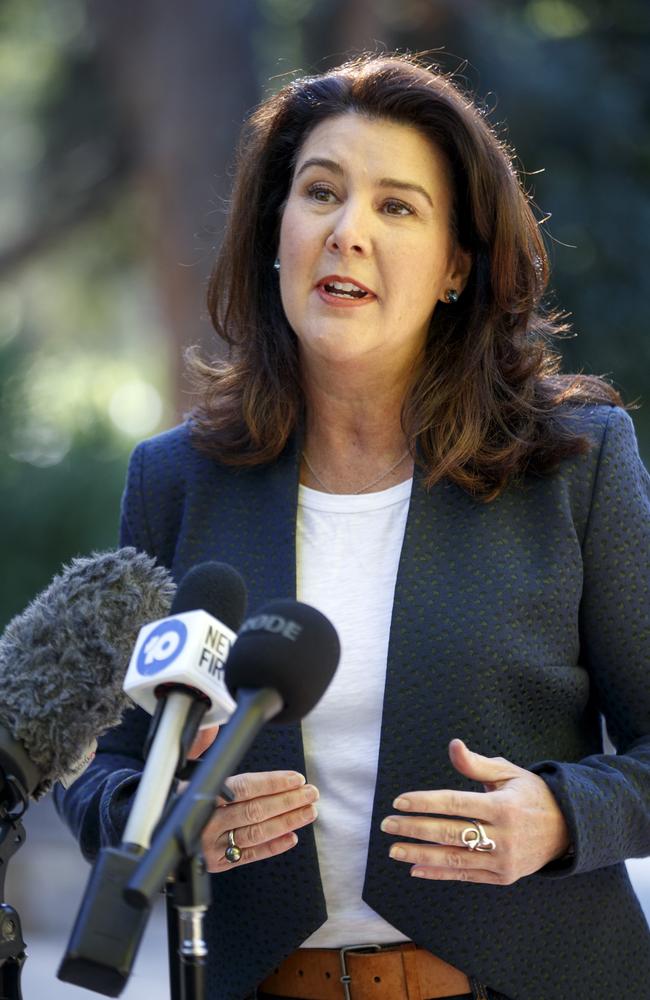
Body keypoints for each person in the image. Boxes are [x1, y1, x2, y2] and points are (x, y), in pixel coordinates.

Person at [55, 53, 650, 1000]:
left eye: (397, 207)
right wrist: (163, 817)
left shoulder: (577, 464)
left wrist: (564, 815)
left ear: (457, 265)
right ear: (275, 236)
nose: (347, 232)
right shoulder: (176, 480)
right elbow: (96, 763)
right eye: (320, 193)